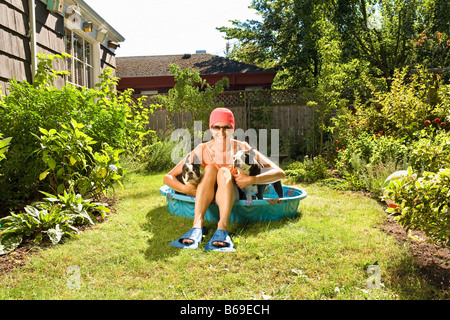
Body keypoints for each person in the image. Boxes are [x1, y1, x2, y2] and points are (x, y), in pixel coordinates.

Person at [163, 107, 285, 251]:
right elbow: (168, 177)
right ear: (211, 129)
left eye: (226, 127)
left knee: (224, 172)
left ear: (232, 129)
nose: (221, 132)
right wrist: (184, 188)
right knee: (209, 169)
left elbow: (279, 173)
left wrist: (252, 180)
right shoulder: (202, 149)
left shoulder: (242, 147)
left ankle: (222, 227)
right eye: (217, 127)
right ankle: (197, 226)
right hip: (208, 193)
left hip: (233, 193)